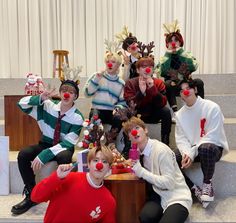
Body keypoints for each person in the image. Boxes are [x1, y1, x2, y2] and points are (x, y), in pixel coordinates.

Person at [11, 74, 84, 215]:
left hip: (63, 147)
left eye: (71, 92)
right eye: (64, 90)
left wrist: (44, 155)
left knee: (64, 158)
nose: (67, 94)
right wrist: (40, 98)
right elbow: (21, 104)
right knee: (23, 154)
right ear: (60, 93)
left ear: (75, 96)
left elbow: (68, 142)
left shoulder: (77, 117)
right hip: (45, 142)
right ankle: (31, 195)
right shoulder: (47, 106)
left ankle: (63, 197)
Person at [123, 116, 192, 223]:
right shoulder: (137, 152)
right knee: (145, 217)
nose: (134, 132)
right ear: (129, 138)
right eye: (130, 131)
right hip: (158, 195)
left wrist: (142, 172)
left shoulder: (161, 150)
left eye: (137, 127)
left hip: (176, 196)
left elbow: (169, 183)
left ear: (145, 130)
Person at [174, 79, 229, 207]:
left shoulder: (212, 107)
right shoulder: (179, 115)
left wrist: (192, 153)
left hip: (212, 148)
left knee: (205, 148)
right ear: (180, 95)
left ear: (196, 90)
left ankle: (207, 184)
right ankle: (193, 188)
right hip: (192, 149)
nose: (185, 92)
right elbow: (181, 139)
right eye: (182, 91)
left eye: (188, 88)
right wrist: (187, 153)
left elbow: (213, 136)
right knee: (170, 157)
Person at [31, 146, 116, 223]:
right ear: (88, 164)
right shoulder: (68, 178)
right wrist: (56, 177)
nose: (99, 165)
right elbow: (35, 197)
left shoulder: (108, 201)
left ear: (109, 168)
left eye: (104, 162)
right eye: (95, 160)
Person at [124, 48, 172, 147]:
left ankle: (165, 143)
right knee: (126, 113)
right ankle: (128, 146)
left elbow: (162, 103)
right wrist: (141, 93)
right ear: (137, 70)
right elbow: (130, 104)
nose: (147, 69)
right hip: (137, 115)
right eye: (144, 66)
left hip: (153, 113)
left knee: (166, 112)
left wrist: (152, 88)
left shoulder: (158, 82)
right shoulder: (130, 83)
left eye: (150, 66)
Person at [84, 40, 127, 148]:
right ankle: (92, 142)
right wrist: (96, 79)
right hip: (97, 109)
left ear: (118, 65)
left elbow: (122, 101)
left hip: (110, 111)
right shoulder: (97, 76)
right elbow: (87, 93)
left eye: (113, 62)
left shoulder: (121, 83)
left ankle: (110, 140)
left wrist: (118, 108)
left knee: (120, 117)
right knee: (94, 115)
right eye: (108, 61)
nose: (110, 64)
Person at [157, 20, 204, 113]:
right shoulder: (164, 57)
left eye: (176, 40)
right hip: (173, 86)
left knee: (199, 82)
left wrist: (181, 52)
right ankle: (175, 111)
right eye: (171, 41)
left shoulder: (186, 54)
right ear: (167, 44)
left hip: (186, 83)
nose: (173, 43)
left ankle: (201, 108)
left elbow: (193, 67)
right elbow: (162, 72)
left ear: (180, 42)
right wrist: (168, 55)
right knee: (166, 84)